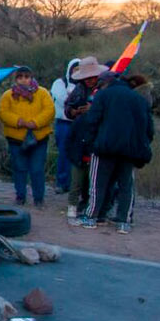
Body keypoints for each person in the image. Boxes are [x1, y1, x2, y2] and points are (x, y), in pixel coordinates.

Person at [80, 72, 154, 234]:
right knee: (126, 186)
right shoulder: (139, 100)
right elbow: (149, 129)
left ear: (105, 83)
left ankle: (91, 217)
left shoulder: (103, 95)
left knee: (97, 184)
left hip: (104, 148)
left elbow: (92, 122)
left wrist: (91, 144)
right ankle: (124, 222)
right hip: (130, 151)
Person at [0, 66, 55, 206]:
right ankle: (20, 196)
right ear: (16, 79)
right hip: (16, 138)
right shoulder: (8, 95)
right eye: (20, 77)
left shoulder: (42, 93)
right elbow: (3, 113)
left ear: (31, 77)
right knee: (19, 168)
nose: (24, 80)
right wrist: (19, 121)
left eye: (27, 77)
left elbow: (49, 110)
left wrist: (35, 123)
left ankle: (39, 198)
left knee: (37, 169)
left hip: (38, 137)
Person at [64, 57, 108, 222]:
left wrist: (93, 109)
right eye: (87, 78)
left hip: (97, 135)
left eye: (92, 77)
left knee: (95, 176)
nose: (89, 80)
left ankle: (93, 206)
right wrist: (74, 112)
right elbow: (68, 108)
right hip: (80, 134)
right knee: (78, 173)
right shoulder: (78, 90)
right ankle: (76, 205)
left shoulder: (103, 91)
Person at [50, 58, 81, 193]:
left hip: (80, 123)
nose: (77, 72)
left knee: (80, 154)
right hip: (64, 123)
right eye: (75, 69)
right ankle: (62, 183)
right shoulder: (60, 83)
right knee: (64, 153)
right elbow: (63, 99)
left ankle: (77, 185)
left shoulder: (85, 85)